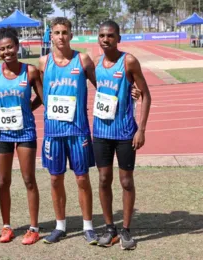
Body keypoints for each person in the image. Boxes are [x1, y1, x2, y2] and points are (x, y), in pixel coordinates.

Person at [38, 17, 98, 245]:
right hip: (53, 132)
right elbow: (40, 93)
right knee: (55, 179)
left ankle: (88, 226)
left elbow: (100, 87)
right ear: (50, 36)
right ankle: (60, 226)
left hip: (78, 130)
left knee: (82, 178)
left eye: (65, 32)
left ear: (71, 35)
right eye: (57, 32)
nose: (61, 36)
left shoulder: (82, 60)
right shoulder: (44, 62)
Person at [92, 20, 151, 250]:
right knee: (104, 179)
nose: (105, 39)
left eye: (110, 36)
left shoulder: (128, 61)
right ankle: (110, 228)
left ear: (118, 38)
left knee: (126, 181)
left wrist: (141, 129)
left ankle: (125, 230)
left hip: (125, 132)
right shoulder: (96, 64)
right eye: (102, 35)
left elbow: (146, 95)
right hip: (101, 132)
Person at [0, 27, 43, 245]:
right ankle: (6, 226)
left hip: (25, 131)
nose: (6, 51)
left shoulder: (30, 71)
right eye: (2, 49)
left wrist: (28, 108)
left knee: (29, 179)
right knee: (3, 181)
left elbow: (42, 96)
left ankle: (34, 228)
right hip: (1, 134)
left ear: (17, 47)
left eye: (10, 47)